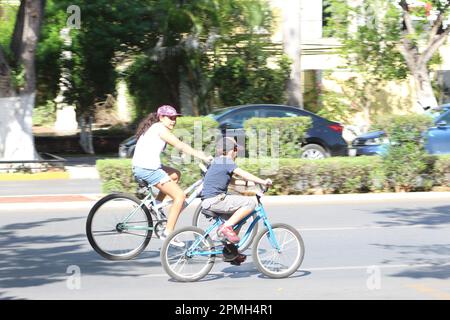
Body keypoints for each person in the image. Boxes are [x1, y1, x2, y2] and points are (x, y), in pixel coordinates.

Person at [132, 105, 212, 243]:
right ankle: (167, 233)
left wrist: (192, 156)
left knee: (175, 174)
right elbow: (179, 145)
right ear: (161, 117)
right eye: (170, 118)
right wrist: (202, 156)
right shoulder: (159, 129)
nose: (173, 121)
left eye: (175, 118)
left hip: (143, 167)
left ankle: (155, 204)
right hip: (148, 169)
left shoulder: (156, 127)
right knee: (180, 197)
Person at [201, 137, 272, 264]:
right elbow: (244, 174)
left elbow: (236, 182)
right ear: (230, 151)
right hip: (215, 200)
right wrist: (263, 181)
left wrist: (253, 187)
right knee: (250, 203)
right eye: (235, 150)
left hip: (211, 200)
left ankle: (230, 252)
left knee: (240, 218)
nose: (236, 153)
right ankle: (226, 227)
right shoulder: (226, 161)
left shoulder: (219, 162)